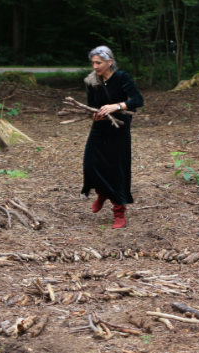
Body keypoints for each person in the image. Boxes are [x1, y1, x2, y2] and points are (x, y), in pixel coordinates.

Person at [82, 45, 144, 229]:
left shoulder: (122, 78)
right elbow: (92, 105)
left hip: (119, 129)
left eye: (98, 62)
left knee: (117, 170)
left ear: (110, 62)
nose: (95, 66)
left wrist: (116, 106)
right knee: (90, 164)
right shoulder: (92, 81)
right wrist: (94, 115)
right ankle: (102, 193)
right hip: (100, 128)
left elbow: (138, 100)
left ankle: (119, 211)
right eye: (93, 62)